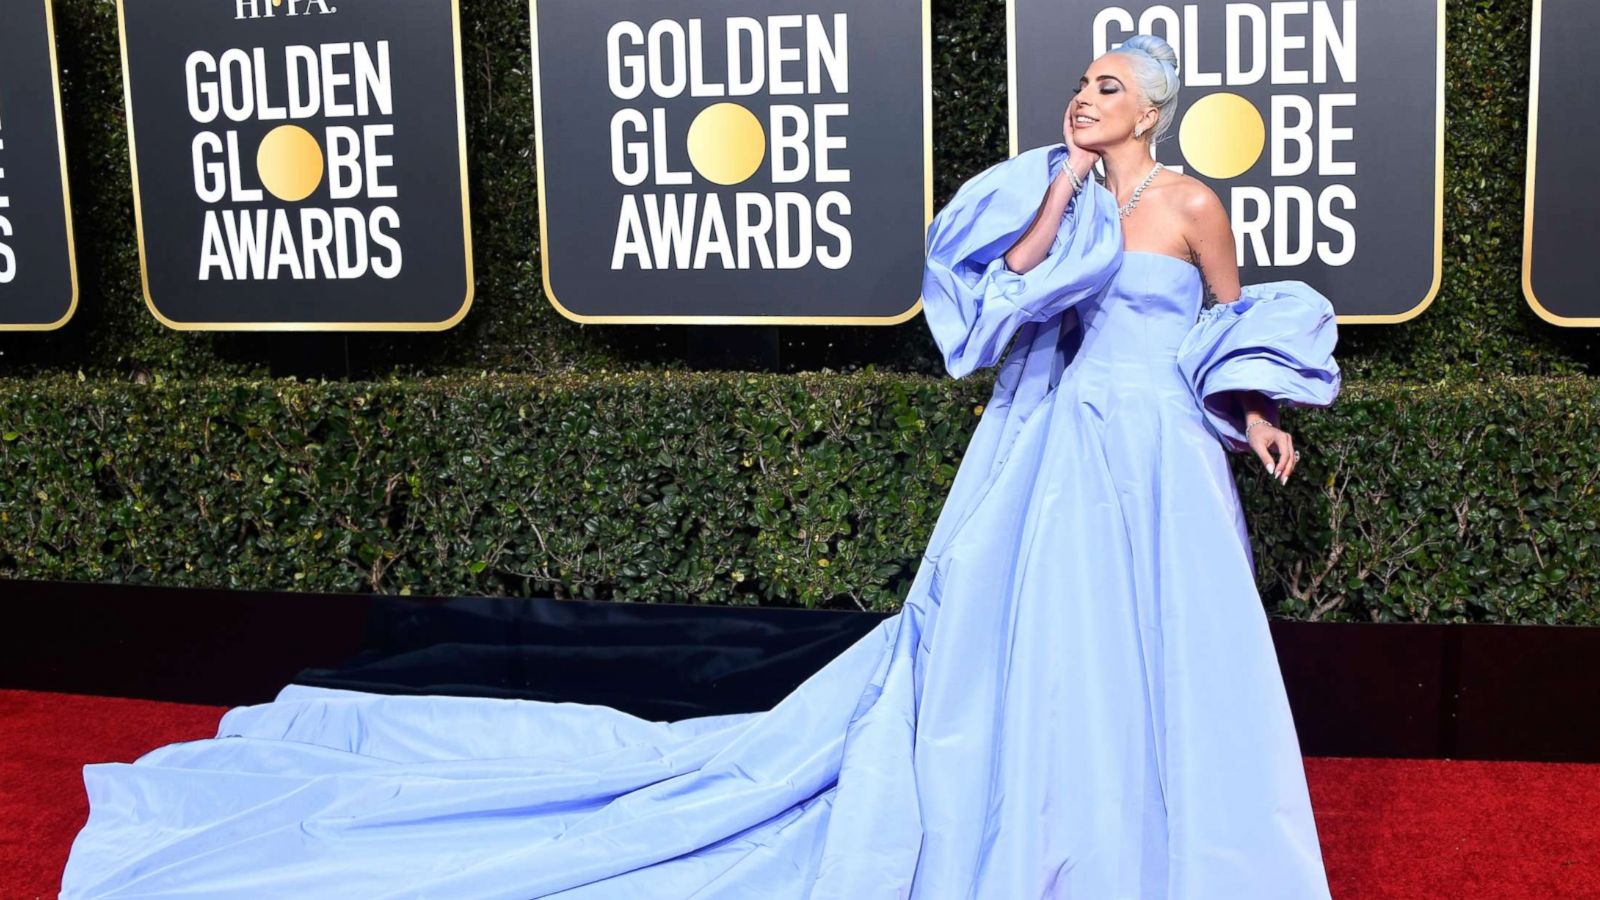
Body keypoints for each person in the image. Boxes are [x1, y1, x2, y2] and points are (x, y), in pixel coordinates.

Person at [60, 33, 1338, 899]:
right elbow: (997, 303)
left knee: (1160, 648)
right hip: (1050, 452)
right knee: (1039, 654)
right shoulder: (1035, 194)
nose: (1087, 97)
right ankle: (1052, 832)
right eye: (1083, 82)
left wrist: (1258, 409)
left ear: (1155, 108)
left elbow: (1224, 321)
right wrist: (1058, 192)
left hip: (1159, 456)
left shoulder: (1189, 204)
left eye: (1109, 89)